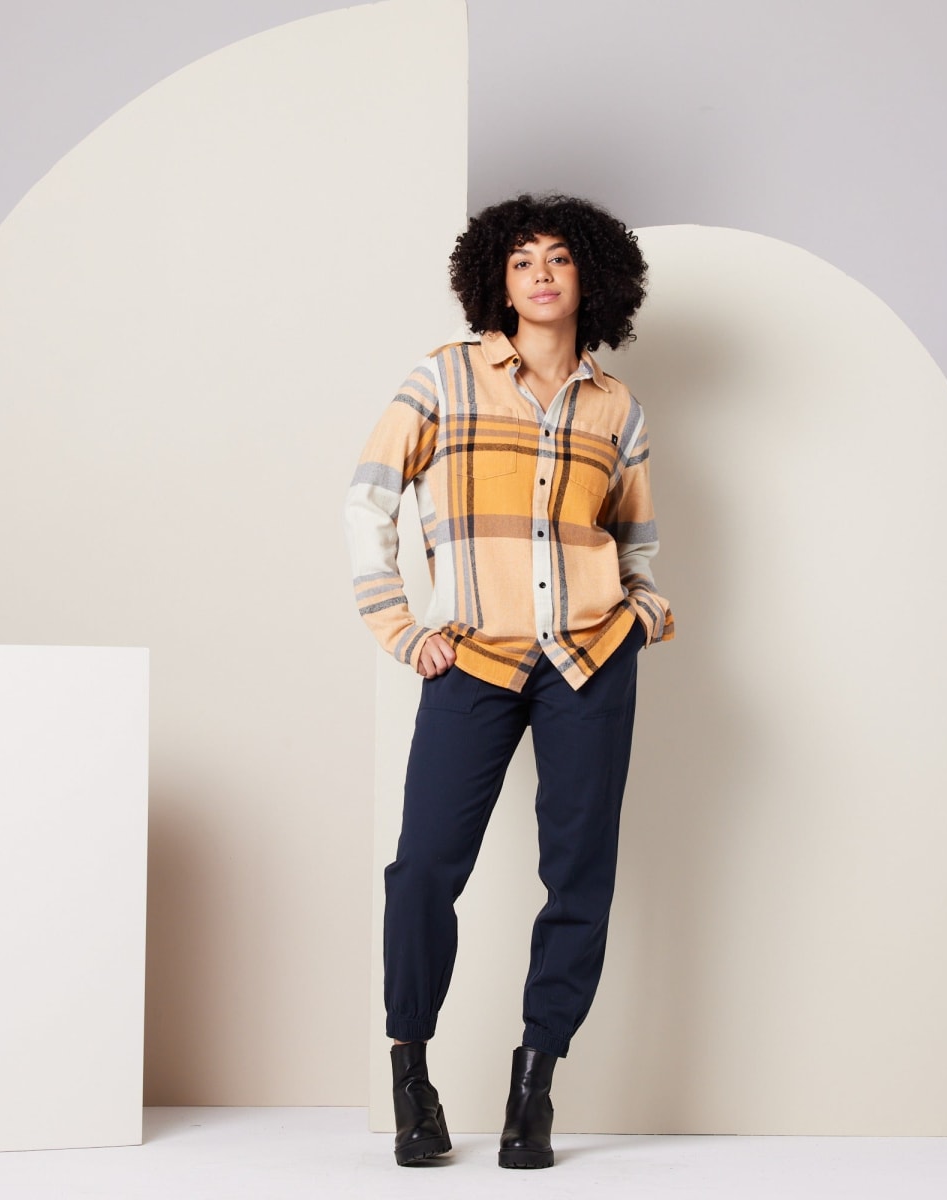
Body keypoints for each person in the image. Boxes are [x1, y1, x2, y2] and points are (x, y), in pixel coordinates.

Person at [344, 192, 674, 1168]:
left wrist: (640, 615)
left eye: (557, 258)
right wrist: (399, 627)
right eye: (521, 259)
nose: (539, 274)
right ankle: (412, 1076)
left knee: (579, 875)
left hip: (588, 660)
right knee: (423, 868)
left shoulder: (616, 408)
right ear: (496, 277)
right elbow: (367, 501)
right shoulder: (443, 378)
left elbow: (636, 542)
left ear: (590, 277)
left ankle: (535, 1086)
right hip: (472, 656)